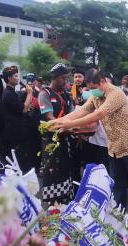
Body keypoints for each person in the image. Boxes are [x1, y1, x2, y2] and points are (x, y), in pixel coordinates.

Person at [48, 69, 128, 234]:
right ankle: (119, 221)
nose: (92, 91)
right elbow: (81, 110)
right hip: (114, 148)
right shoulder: (96, 96)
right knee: (117, 187)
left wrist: (67, 125)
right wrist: (57, 121)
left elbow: (99, 114)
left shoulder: (116, 94)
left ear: (103, 81)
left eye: (94, 87)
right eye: (89, 88)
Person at [38, 63, 75, 204]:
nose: (66, 82)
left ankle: (65, 202)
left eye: (66, 78)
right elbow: (49, 116)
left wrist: (78, 127)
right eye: (63, 78)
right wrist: (67, 127)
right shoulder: (44, 94)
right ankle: (53, 205)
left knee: (66, 170)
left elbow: (72, 114)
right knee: (52, 171)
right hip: (51, 141)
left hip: (66, 139)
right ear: (54, 78)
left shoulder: (66, 95)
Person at [1, 65, 34, 172]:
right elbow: (23, 109)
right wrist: (29, 94)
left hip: (19, 132)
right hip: (15, 135)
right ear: (9, 78)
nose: (18, 78)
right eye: (15, 76)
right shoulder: (8, 94)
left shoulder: (12, 92)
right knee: (20, 162)